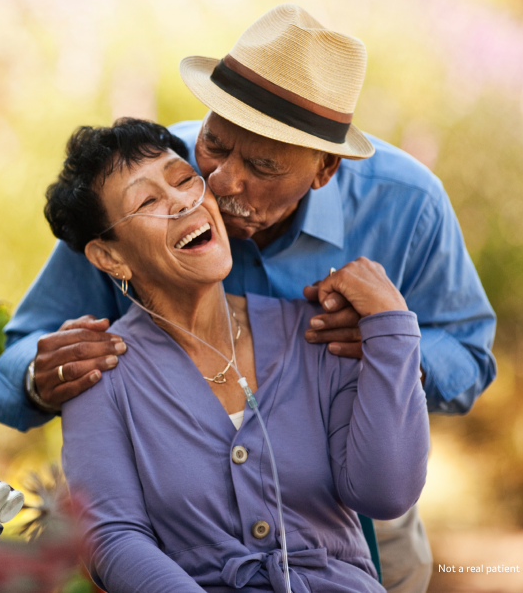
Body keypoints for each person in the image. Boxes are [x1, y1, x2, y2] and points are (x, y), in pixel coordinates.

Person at [0, 5, 497, 593]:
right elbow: (21, 361)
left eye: (261, 166)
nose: (218, 184)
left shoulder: (405, 204)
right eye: (215, 144)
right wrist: (42, 374)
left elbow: (469, 356)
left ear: (324, 168)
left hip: (359, 525)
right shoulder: (154, 175)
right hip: (184, 541)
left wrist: (389, 351)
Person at [54, 117, 430, 593]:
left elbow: (387, 492)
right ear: (110, 258)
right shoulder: (102, 373)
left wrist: (392, 327)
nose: (180, 202)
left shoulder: (318, 333)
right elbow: (113, 539)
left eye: (184, 179)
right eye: (147, 201)